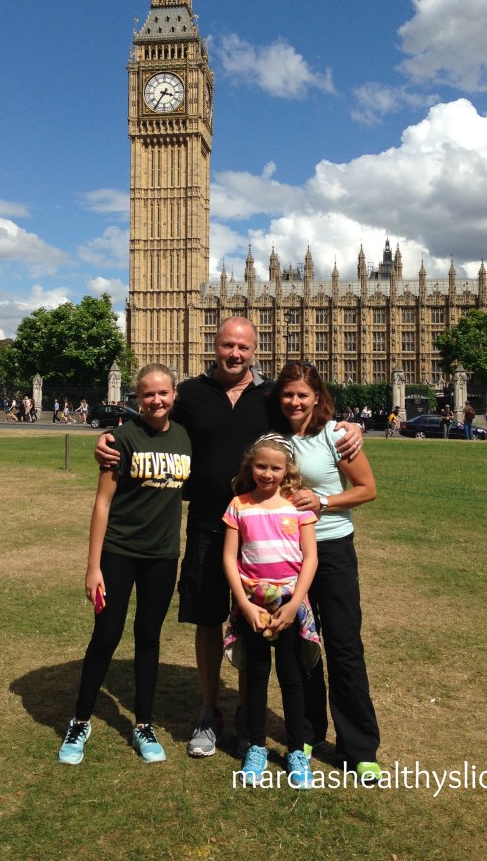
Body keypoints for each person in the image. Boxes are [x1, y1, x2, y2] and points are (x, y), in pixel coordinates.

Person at [95, 316, 363, 760]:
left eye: (243, 347)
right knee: (207, 617)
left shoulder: (271, 397)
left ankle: (244, 710)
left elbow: (308, 412)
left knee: (251, 620)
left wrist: (348, 426)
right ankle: (208, 710)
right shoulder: (192, 395)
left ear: (254, 350)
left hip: (261, 531)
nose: (234, 354)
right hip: (206, 523)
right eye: (227, 346)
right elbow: (150, 422)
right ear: (214, 346)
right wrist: (109, 438)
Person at [58, 364, 192, 766]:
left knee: (149, 637)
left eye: (163, 393)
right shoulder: (121, 438)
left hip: (163, 555)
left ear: (174, 395)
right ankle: (81, 720)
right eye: (148, 394)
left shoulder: (186, 438)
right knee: (106, 634)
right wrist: (92, 566)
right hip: (119, 552)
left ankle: (143, 723)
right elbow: (102, 504)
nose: (156, 400)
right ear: (137, 397)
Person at [274, 361, 381, 782]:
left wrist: (323, 503)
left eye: (302, 394)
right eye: (288, 394)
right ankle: (306, 731)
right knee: (299, 645)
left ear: (318, 396)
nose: (295, 401)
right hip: (287, 551)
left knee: (343, 644)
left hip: (332, 547)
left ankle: (359, 747)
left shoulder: (336, 434)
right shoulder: (272, 436)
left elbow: (368, 490)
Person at [222, 434, 319, 789]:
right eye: (260, 466)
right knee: (258, 675)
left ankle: (295, 749)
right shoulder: (239, 505)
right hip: (254, 603)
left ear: (287, 471)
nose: (267, 473)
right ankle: (258, 746)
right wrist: (244, 604)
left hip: (290, 603)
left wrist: (295, 604)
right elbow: (229, 559)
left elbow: (310, 558)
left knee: (292, 677)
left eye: (275, 468)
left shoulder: (298, 506)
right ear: (251, 467)